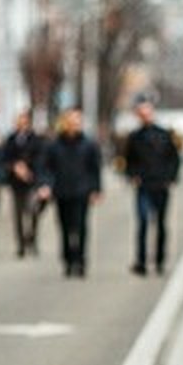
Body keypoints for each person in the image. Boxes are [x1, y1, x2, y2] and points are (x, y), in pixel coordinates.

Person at [39, 109, 103, 278]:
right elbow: (46, 168)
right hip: (62, 191)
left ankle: (80, 260)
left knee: (81, 227)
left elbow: (95, 169)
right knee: (65, 228)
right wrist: (45, 185)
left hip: (82, 191)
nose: (74, 125)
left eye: (77, 121)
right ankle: (68, 260)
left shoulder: (89, 144)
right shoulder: (54, 145)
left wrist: (96, 190)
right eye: (71, 121)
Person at [123, 98, 181, 276]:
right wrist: (132, 176)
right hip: (144, 186)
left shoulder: (164, 135)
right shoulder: (134, 137)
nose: (145, 116)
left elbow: (174, 158)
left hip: (161, 185)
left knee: (161, 225)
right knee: (142, 222)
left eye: (147, 112)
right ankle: (141, 261)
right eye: (141, 113)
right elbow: (128, 160)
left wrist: (170, 178)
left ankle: (159, 260)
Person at [4, 111, 44, 257]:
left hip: (31, 182)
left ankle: (32, 239)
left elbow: (41, 158)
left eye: (23, 120)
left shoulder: (36, 139)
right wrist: (15, 167)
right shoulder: (10, 139)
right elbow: (4, 158)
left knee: (33, 211)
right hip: (16, 183)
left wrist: (28, 170)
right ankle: (20, 244)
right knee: (18, 214)